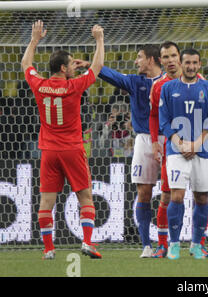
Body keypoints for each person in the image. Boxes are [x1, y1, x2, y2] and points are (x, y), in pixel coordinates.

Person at [21, 20, 104, 259]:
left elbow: (26, 63)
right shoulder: (74, 87)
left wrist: (35, 39)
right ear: (63, 68)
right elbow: (97, 67)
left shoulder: (40, 84)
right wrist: (98, 39)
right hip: (72, 149)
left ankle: (48, 249)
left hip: (48, 151)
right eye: (71, 65)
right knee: (85, 197)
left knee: (47, 200)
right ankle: (87, 243)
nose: (74, 68)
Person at [149, 42, 208, 258]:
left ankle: (197, 245)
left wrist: (196, 144)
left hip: (202, 150)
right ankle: (174, 244)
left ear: (199, 65)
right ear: (181, 63)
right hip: (177, 151)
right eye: (187, 62)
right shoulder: (167, 88)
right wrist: (179, 142)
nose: (190, 66)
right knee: (176, 196)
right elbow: (164, 122)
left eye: (194, 62)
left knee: (202, 198)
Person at [97, 44, 163, 258]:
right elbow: (112, 75)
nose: (136, 61)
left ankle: (169, 243)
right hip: (144, 140)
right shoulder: (136, 82)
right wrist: (91, 66)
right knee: (144, 193)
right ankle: (146, 245)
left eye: (139, 57)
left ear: (151, 60)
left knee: (175, 193)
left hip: (171, 139)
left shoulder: (170, 82)